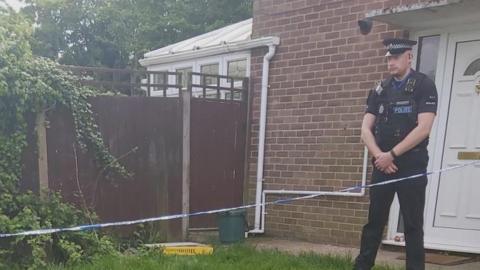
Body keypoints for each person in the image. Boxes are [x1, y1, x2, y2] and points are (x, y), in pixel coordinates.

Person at [353, 38, 438, 270]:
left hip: (411, 164)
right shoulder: (380, 90)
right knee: (374, 222)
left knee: (412, 224)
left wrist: (391, 154)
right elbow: (365, 129)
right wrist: (380, 156)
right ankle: (362, 266)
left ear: (409, 56)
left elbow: (424, 128)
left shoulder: (424, 85)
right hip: (382, 165)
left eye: (396, 57)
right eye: (388, 58)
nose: (390, 62)